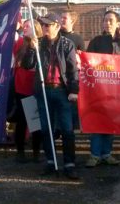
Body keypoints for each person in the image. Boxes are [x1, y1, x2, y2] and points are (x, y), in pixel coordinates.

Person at [21, 12, 80, 179]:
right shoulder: (37, 44)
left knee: (67, 130)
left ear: (56, 26)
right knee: (46, 130)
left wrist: (74, 91)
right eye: (43, 25)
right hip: (43, 91)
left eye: (48, 25)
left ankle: (69, 164)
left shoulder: (67, 44)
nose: (44, 27)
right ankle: (50, 162)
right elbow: (27, 65)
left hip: (62, 91)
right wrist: (31, 49)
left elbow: (72, 70)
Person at [85, 10, 120, 168]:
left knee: (109, 122)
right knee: (97, 121)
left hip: (115, 90)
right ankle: (95, 155)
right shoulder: (96, 41)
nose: (107, 23)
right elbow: (87, 61)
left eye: (110, 20)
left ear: (118, 23)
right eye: (105, 20)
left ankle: (106, 153)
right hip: (98, 88)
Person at [11, 19, 43, 163]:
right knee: (22, 120)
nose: (25, 28)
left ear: (36, 28)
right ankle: (20, 151)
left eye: (28, 26)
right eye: (24, 26)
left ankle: (36, 151)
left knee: (36, 121)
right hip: (22, 87)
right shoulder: (21, 43)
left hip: (37, 87)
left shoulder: (42, 43)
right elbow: (25, 64)